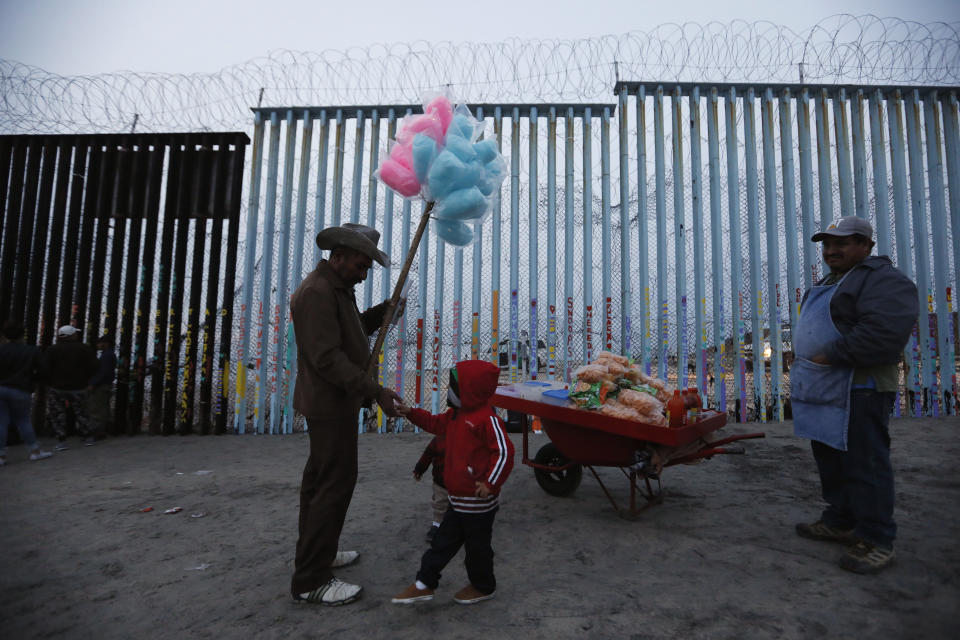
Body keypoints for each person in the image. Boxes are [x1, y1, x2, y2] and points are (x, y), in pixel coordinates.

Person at [791, 216, 917, 575]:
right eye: (827, 245)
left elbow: (883, 334)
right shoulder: (834, 280)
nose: (831, 251)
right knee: (831, 459)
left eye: (841, 244)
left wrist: (830, 355)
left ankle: (877, 538)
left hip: (860, 387)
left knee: (866, 463)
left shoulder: (883, 281)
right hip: (825, 387)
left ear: (865, 246)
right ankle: (841, 519)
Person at [289, 222, 404, 606]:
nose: (364, 272)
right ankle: (311, 580)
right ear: (338, 256)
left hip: (333, 402)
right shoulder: (318, 293)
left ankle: (320, 551)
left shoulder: (337, 289)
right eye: (360, 264)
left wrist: (381, 313)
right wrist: (377, 391)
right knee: (333, 484)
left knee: (320, 482)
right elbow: (328, 358)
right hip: (329, 403)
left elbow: (348, 333)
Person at [392, 360, 514, 606]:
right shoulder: (455, 416)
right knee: (441, 544)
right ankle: (423, 584)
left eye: (454, 385)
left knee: (476, 550)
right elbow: (433, 423)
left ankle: (483, 586)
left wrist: (490, 483)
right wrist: (411, 412)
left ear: (470, 390)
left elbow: (503, 452)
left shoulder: (486, 419)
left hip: (478, 503)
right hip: (457, 500)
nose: (449, 389)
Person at [0, 321, 53, 465]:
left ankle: (1, 455)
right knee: (23, 420)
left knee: (1, 422)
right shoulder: (32, 351)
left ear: (4, 335)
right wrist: (32, 380)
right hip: (21, 388)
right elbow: (43, 371)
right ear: (23, 335)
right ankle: (34, 451)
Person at [43, 325, 99, 450]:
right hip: (79, 386)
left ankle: (61, 440)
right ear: (73, 335)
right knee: (82, 412)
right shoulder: (84, 349)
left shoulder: (52, 350)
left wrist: (49, 382)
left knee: (57, 414)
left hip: (57, 387)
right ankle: (88, 436)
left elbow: (45, 369)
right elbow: (94, 366)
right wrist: (88, 380)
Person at [413, 434, 447, 543]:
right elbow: (428, 453)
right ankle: (437, 525)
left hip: (463, 481)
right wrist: (419, 469)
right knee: (440, 505)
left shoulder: (472, 437)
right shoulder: (441, 438)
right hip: (441, 481)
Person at [88, 333, 117, 438]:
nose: (98, 344)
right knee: (103, 408)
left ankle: (98, 431)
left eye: (100, 343)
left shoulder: (107, 355)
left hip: (102, 385)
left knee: (97, 408)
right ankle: (103, 430)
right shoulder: (109, 354)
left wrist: (93, 383)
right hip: (105, 384)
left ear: (106, 344)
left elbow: (103, 372)